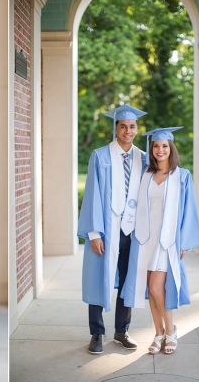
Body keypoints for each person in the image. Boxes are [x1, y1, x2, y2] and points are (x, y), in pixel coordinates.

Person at [121, 127, 199, 355]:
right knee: (149, 287)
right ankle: (158, 334)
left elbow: (189, 211)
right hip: (145, 239)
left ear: (171, 149)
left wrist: (184, 242)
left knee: (158, 288)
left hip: (167, 241)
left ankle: (171, 332)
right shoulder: (145, 175)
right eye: (156, 146)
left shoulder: (182, 176)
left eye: (164, 146)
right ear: (152, 149)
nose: (160, 150)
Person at [77, 105, 148, 354]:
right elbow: (92, 195)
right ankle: (96, 333)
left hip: (133, 231)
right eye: (123, 126)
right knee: (98, 279)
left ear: (137, 129)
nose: (128, 130)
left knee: (128, 281)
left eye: (132, 126)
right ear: (115, 128)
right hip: (107, 230)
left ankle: (121, 331)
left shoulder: (144, 157)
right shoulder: (100, 156)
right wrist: (94, 233)